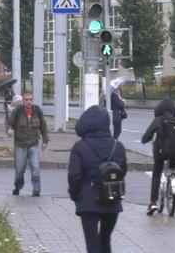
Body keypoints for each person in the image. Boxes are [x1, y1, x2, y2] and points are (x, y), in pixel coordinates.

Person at [68, 105, 127, 253]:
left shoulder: (80, 147)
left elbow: (74, 176)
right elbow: (122, 171)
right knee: (105, 240)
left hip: (88, 203)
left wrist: (76, 196)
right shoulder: (117, 146)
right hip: (112, 200)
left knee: (92, 244)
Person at [141, 97, 175, 215]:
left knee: (156, 175)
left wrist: (145, 140)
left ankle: (153, 202)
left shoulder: (158, 120)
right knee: (174, 171)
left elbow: (146, 136)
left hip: (160, 153)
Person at [6, 91, 49, 197]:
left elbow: (43, 126)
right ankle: (18, 187)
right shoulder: (18, 111)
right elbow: (10, 122)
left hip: (33, 144)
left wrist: (45, 140)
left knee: (35, 168)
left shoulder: (37, 110)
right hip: (20, 144)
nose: (29, 102)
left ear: (32, 100)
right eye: (27, 100)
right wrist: (10, 129)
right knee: (20, 169)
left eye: (30, 99)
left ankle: (36, 190)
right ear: (23, 100)